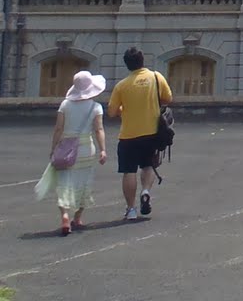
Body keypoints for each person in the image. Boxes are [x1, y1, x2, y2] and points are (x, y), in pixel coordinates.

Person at [36, 69, 107, 235]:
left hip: (66, 148)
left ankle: (65, 215)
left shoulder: (65, 105)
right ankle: (78, 217)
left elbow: (58, 128)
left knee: (65, 183)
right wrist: (103, 149)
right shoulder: (96, 107)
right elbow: (99, 129)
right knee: (84, 182)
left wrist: (53, 148)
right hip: (86, 148)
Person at [107, 47, 172, 221]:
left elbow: (112, 112)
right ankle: (145, 191)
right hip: (151, 132)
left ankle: (131, 209)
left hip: (129, 134)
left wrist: (124, 109)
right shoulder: (156, 77)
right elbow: (168, 98)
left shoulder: (122, 85)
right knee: (148, 165)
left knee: (129, 171)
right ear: (142, 60)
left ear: (127, 64)